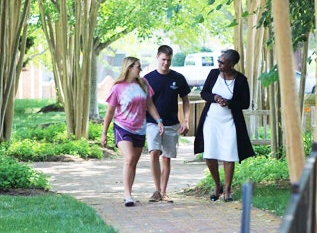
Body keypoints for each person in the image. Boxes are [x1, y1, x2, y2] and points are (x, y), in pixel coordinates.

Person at [101, 56, 165, 207]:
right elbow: (110, 112)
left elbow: (149, 105)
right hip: (123, 127)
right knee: (129, 158)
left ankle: (129, 192)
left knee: (134, 162)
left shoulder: (143, 84)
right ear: (129, 68)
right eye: (138, 66)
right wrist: (104, 132)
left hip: (140, 128)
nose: (140, 69)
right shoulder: (117, 88)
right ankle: (127, 195)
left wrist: (159, 120)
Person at [194, 49, 255, 202]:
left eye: (223, 62)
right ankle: (217, 185)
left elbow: (245, 103)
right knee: (209, 154)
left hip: (230, 121)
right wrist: (215, 97)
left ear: (232, 64)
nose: (219, 65)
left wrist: (229, 102)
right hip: (211, 120)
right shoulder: (213, 74)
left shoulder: (240, 80)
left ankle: (227, 189)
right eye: (219, 62)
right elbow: (204, 93)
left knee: (229, 155)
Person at [144, 45, 191, 203]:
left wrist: (186, 120)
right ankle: (157, 191)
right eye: (163, 59)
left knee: (166, 158)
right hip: (152, 122)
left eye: (169, 60)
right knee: (154, 153)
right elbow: (144, 102)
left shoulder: (178, 78)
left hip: (172, 123)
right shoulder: (148, 79)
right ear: (157, 57)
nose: (166, 63)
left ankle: (164, 192)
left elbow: (185, 101)